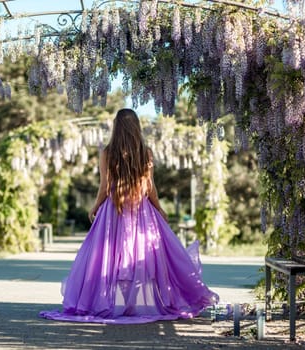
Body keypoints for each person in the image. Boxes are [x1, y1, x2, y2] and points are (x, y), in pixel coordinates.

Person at [39, 108, 218, 324]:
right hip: (141, 210)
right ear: (136, 127)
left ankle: (118, 304)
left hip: (113, 211)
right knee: (145, 258)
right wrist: (158, 208)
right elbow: (149, 186)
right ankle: (133, 305)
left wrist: (95, 207)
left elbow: (105, 187)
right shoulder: (146, 152)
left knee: (109, 259)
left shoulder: (108, 152)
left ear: (116, 127)